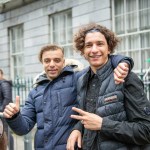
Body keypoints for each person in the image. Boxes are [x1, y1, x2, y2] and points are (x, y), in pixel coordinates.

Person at [3, 44, 133, 150]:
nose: (52, 64)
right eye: (47, 61)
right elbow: (23, 128)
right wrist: (14, 116)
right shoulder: (35, 92)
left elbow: (101, 64)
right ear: (42, 63)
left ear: (64, 62)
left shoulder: (78, 78)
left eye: (57, 60)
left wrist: (123, 62)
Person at [66, 23, 150, 150]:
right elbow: (89, 115)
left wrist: (103, 125)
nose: (94, 50)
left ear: (109, 48)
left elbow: (145, 131)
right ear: (83, 51)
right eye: (89, 45)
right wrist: (77, 129)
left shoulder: (125, 77)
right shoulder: (81, 79)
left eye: (100, 44)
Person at [0, 69, 14, 150]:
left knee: (6, 133)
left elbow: (7, 99)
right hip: (2, 113)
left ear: (1, 74)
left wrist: (1, 110)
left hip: (4, 113)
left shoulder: (4, 84)